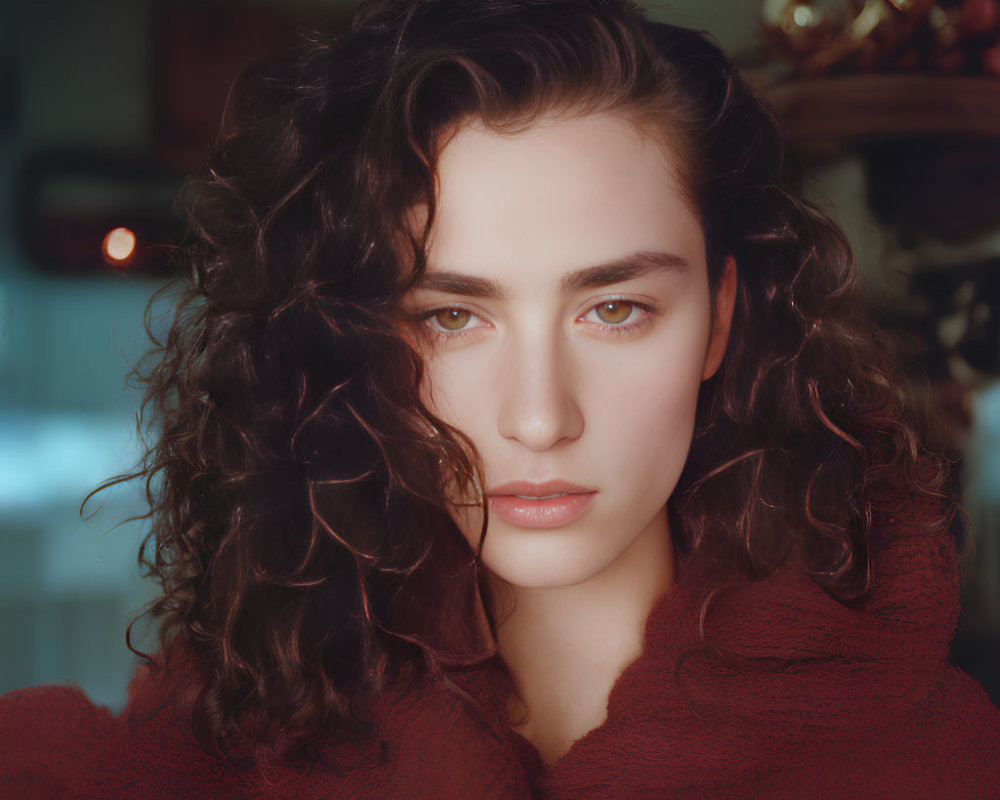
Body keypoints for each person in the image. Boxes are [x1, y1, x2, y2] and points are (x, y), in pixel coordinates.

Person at [3, 1, 999, 797]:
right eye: (451, 316)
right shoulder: (234, 729)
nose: (537, 416)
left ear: (722, 318)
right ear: (358, 338)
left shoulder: (929, 760)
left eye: (613, 308)